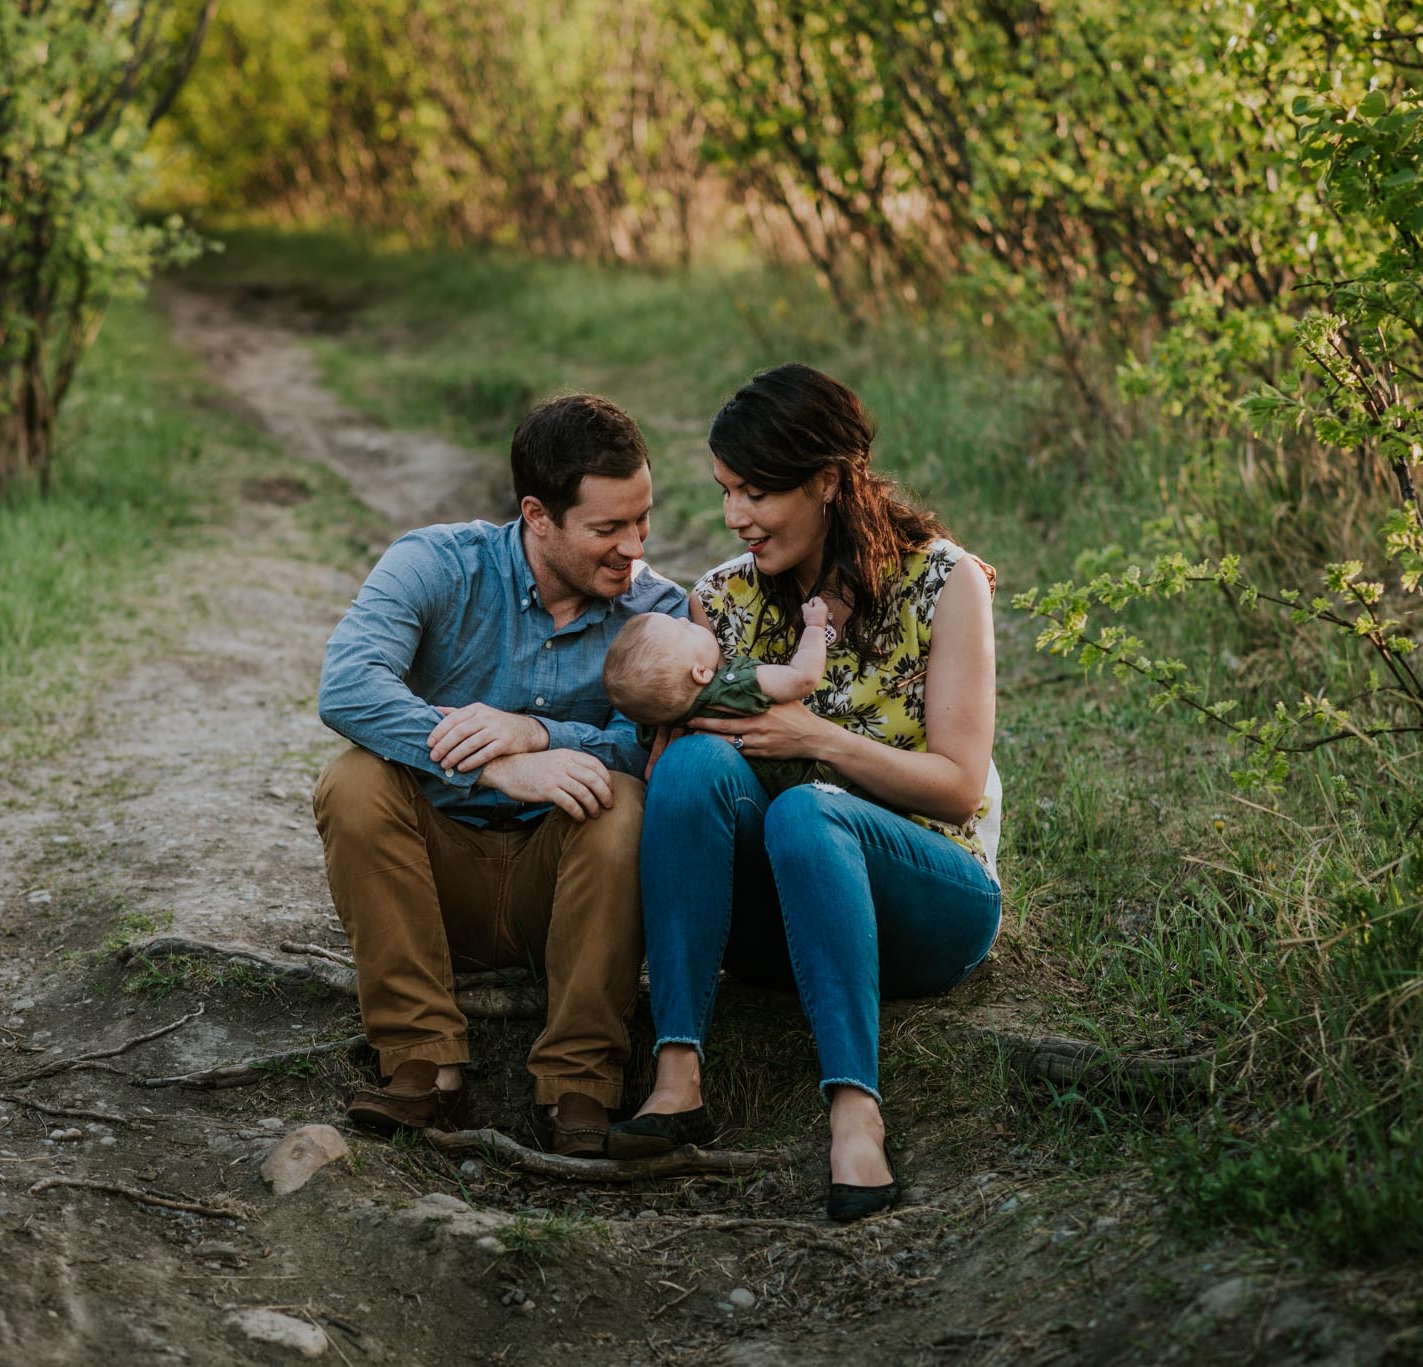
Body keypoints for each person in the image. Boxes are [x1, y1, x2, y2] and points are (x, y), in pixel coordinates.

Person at [605, 364, 1002, 1222]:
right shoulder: (722, 597)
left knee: (808, 807)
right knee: (692, 764)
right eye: (725, 491)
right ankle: (678, 1076)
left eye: (756, 490)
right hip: (776, 919)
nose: (735, 515)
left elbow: (960, 789)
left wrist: (819, 740)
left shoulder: (945, 583)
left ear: (826, 478)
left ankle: (856, 1116)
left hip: (932, 903)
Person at [312, 392, 685, 1157]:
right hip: (434, 876)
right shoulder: (436, 563)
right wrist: (501, 763)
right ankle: (423, 1063)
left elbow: (647, 740)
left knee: (627, 803)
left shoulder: (659, 610)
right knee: (352, 780)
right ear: (537, 516)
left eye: (642, 519)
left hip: (567, 889)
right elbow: (348, 685)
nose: (633, 546)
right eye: (607, 528)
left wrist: (542, 730)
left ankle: (578, 1083)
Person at [601, 596, 831, 797]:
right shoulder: (734, 686)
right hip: (811, 782)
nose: (684, 619)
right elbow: (804, 678)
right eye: (686, 628)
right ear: (701, 672)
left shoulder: (657, 728)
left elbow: (652, 772)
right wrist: (815, 627)